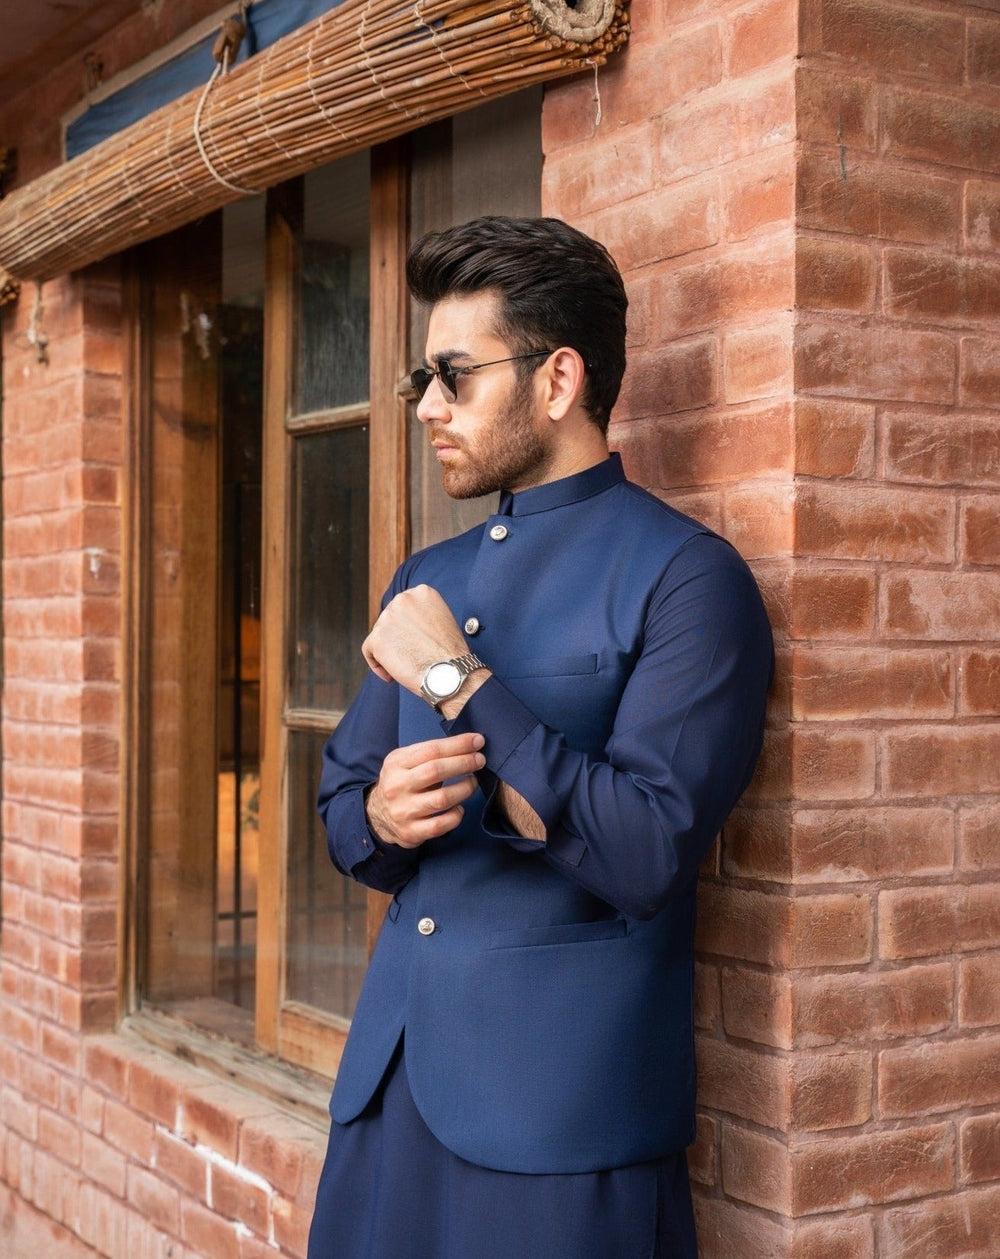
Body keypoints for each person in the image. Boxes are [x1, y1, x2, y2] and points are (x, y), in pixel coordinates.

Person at [308, 216, 773, 1259]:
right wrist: (382, 816)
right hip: (388, 1099)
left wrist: (456, 680)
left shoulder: (689, 580)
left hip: (561, 1119)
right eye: (423, 378)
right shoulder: (425, 576)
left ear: (558, 379)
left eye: (454, 375)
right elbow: (341, 808)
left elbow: (645, 851)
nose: (428, 406)